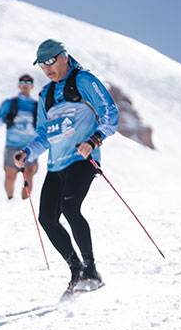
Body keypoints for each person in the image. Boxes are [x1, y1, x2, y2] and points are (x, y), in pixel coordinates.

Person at [14, 39, 119, 293]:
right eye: (41, 64)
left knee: (70, 206)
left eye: (50, 61)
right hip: (55, 165)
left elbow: (110, 113)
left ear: (63, 56)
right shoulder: (45, 94)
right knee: (47, 218)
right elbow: (43, 135)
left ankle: (91, 270)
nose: (46, 68)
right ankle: (76, 271)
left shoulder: (83, 80)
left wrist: (94, 140)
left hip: (82, 159)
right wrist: (27, 152)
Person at [0, 74, 39, 199]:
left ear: (32, 86)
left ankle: (25, 201)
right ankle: (10, 199)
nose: (25, 84)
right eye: (22, 81)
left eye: (28, 82)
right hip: (12, 144)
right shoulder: (9, 103)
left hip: (30, 145)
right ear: (19, 85)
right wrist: (6, 118)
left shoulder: (36, 106)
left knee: (29, 173)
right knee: (10, 175)